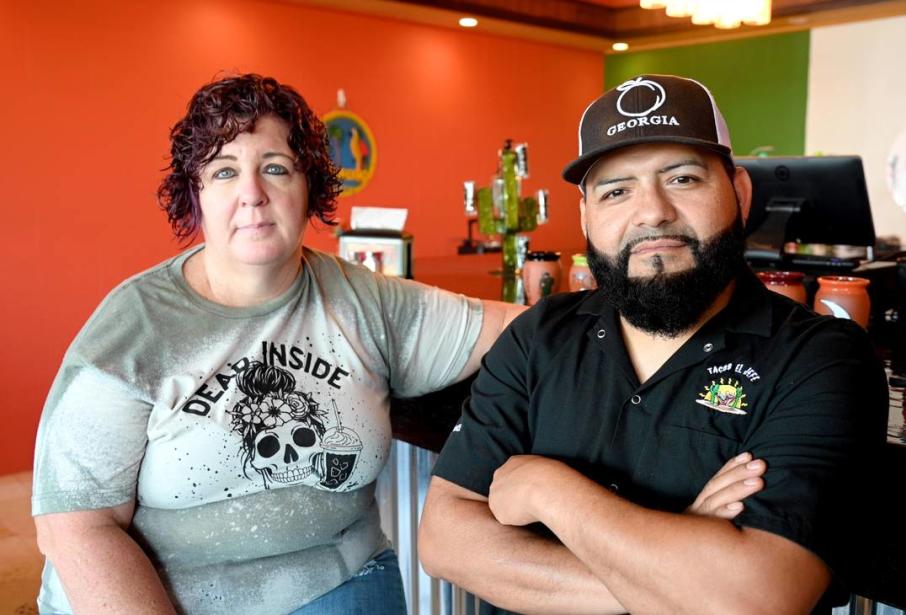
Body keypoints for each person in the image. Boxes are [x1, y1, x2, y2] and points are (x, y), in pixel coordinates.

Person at [30, 74, 532, 615]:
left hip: (336, 578)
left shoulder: (361, 300)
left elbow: (522, 327)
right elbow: (77, 527)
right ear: (195, 197)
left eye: (275, 167)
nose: (253, 194)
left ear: (308, 188)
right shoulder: (134, 327)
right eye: (225, 172)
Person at [419, 74, 889, 614]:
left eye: (683, 178)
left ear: (739, 192)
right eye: (616, 190)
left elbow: (752, 601)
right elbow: (445, 538)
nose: (651, 212)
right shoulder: (539, 336)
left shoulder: (820, 359)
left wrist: (550, 490)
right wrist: (678, 571)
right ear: (586, 217)